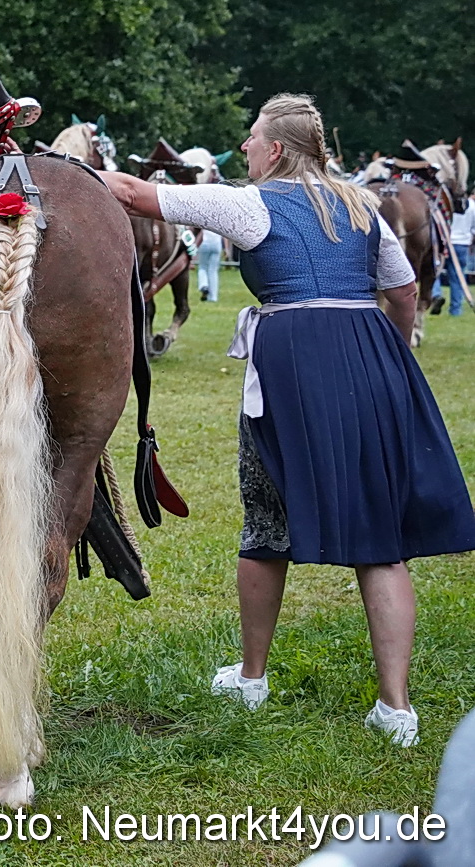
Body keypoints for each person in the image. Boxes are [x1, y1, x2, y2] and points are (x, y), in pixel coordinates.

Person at [105, 94, 475, 747]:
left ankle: (252, 677)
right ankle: (397, 709)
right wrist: (381, 356)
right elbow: (405, 291)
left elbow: (137, 194)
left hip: (290, 374)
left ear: (274, 149)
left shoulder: (250, 202)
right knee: (380, 538)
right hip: (371, 362)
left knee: (266, 518)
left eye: (251, 138)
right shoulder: (362, 204)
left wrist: (45, 166)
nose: (244, 148)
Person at [444, 203, 471, 317]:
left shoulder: (446, 204)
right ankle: (455, 310)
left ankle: (435, 295)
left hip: (446, 242)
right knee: (457, 278)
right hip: (462, 244)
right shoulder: (472, 207)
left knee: (432, 271)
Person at [197, 226, 224, 302]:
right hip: (217, 243)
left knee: (202, 267)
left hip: (205, 242)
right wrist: (227, 249)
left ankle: (204, 285)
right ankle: (213, 297)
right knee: (213, 270)